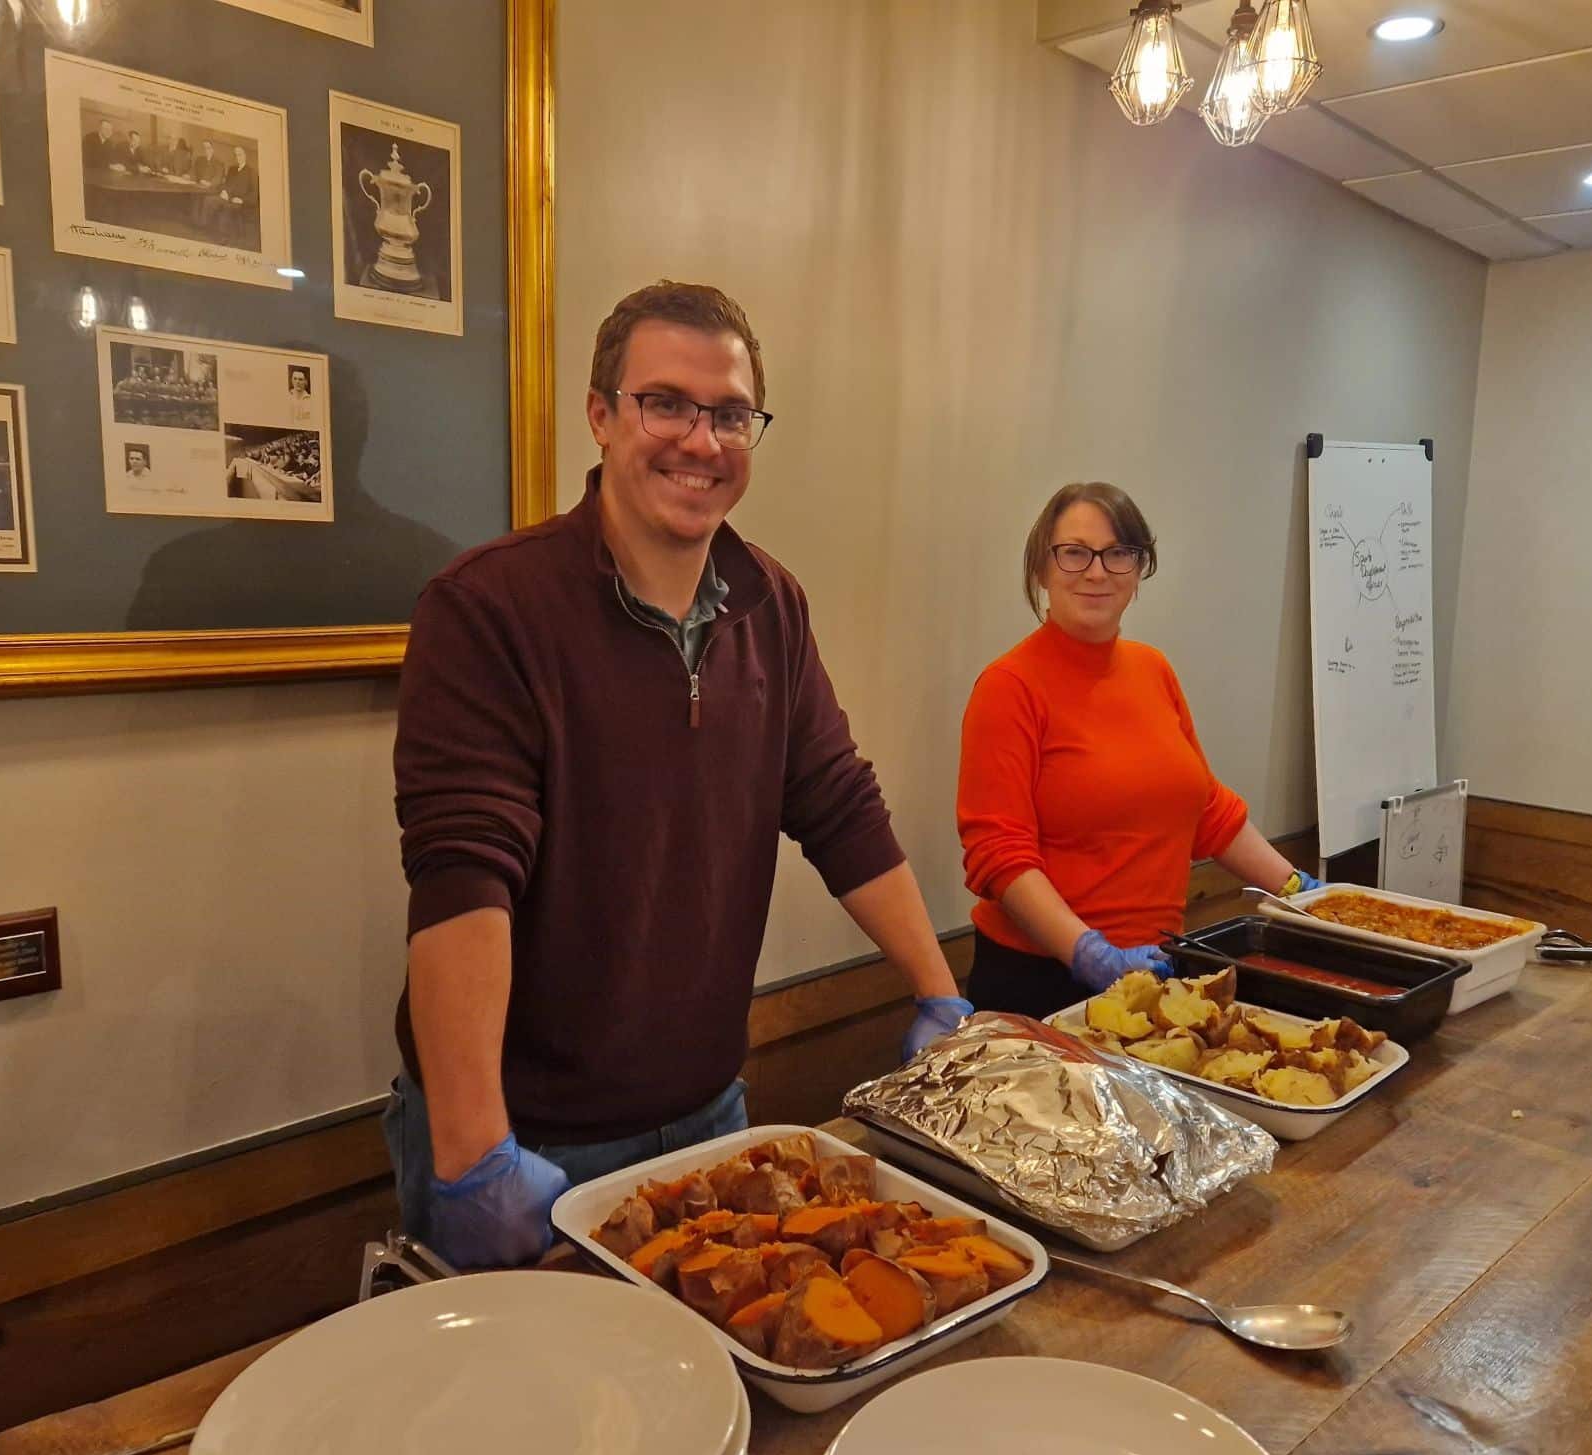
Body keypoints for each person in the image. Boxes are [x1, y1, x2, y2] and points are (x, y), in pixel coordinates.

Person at [388, 280, 970, 1270]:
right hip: (527, 1139)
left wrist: (940, 997)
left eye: (730, 414)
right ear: (601, 415)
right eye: (665, 403)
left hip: (711, 1116)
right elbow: (461, 872)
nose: (701, 442)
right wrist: (473, 1150)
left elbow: (835, 802)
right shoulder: (488, 607)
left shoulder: (768, 604)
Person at [956, 482, 1322, 1020]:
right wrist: (1088, 952)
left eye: (1118, 553)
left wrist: (1301, 892)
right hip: (1039, 981)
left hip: (1155, 968)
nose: (1097, 571)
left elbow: (1206, 809)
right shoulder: (1009, 686)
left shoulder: (1154, 669)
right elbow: (997, 853)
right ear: (1041, 568)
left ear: (1138, 571)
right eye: (1075, 552)